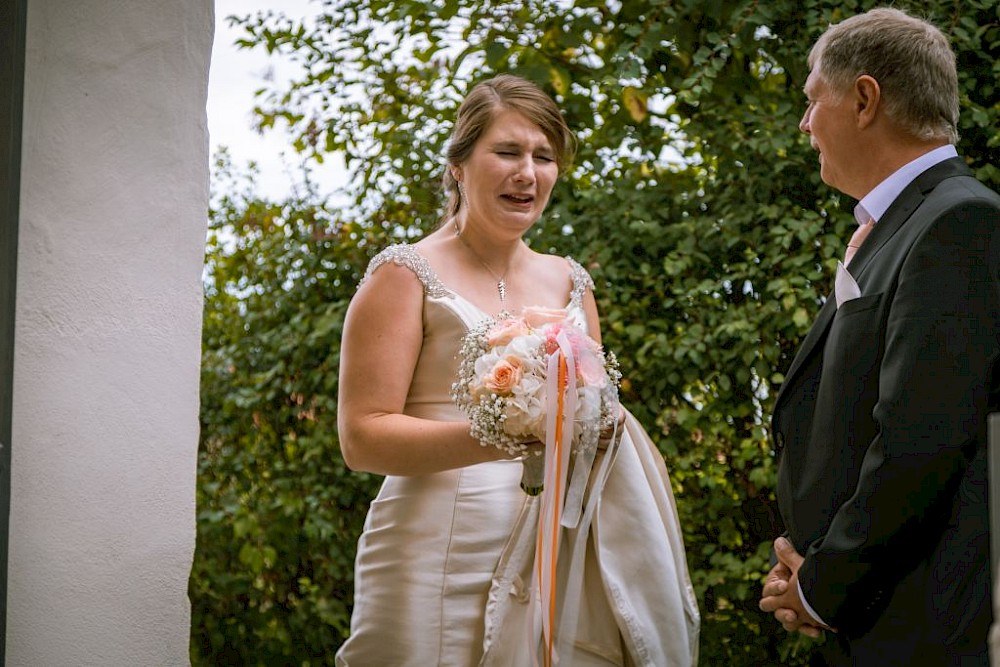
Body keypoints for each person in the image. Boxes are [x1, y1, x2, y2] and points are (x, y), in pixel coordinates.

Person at [334, 74, 699, 665]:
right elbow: (363, 437)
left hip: (555, 551)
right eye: (506, 151)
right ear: (459, 164)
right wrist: (503, 436)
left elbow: (594, 414)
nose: (527, 172)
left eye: (543, 156)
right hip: (433, 547)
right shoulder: (403, 275)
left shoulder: (571, 282)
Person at [758, 7, 1000, 665]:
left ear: (864, 99)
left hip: (919, 627)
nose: (805, 125)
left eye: (812, 101)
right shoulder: (903, 222)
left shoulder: (959, 220)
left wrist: (822, 586)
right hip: (873, 618)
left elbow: (920, 440)